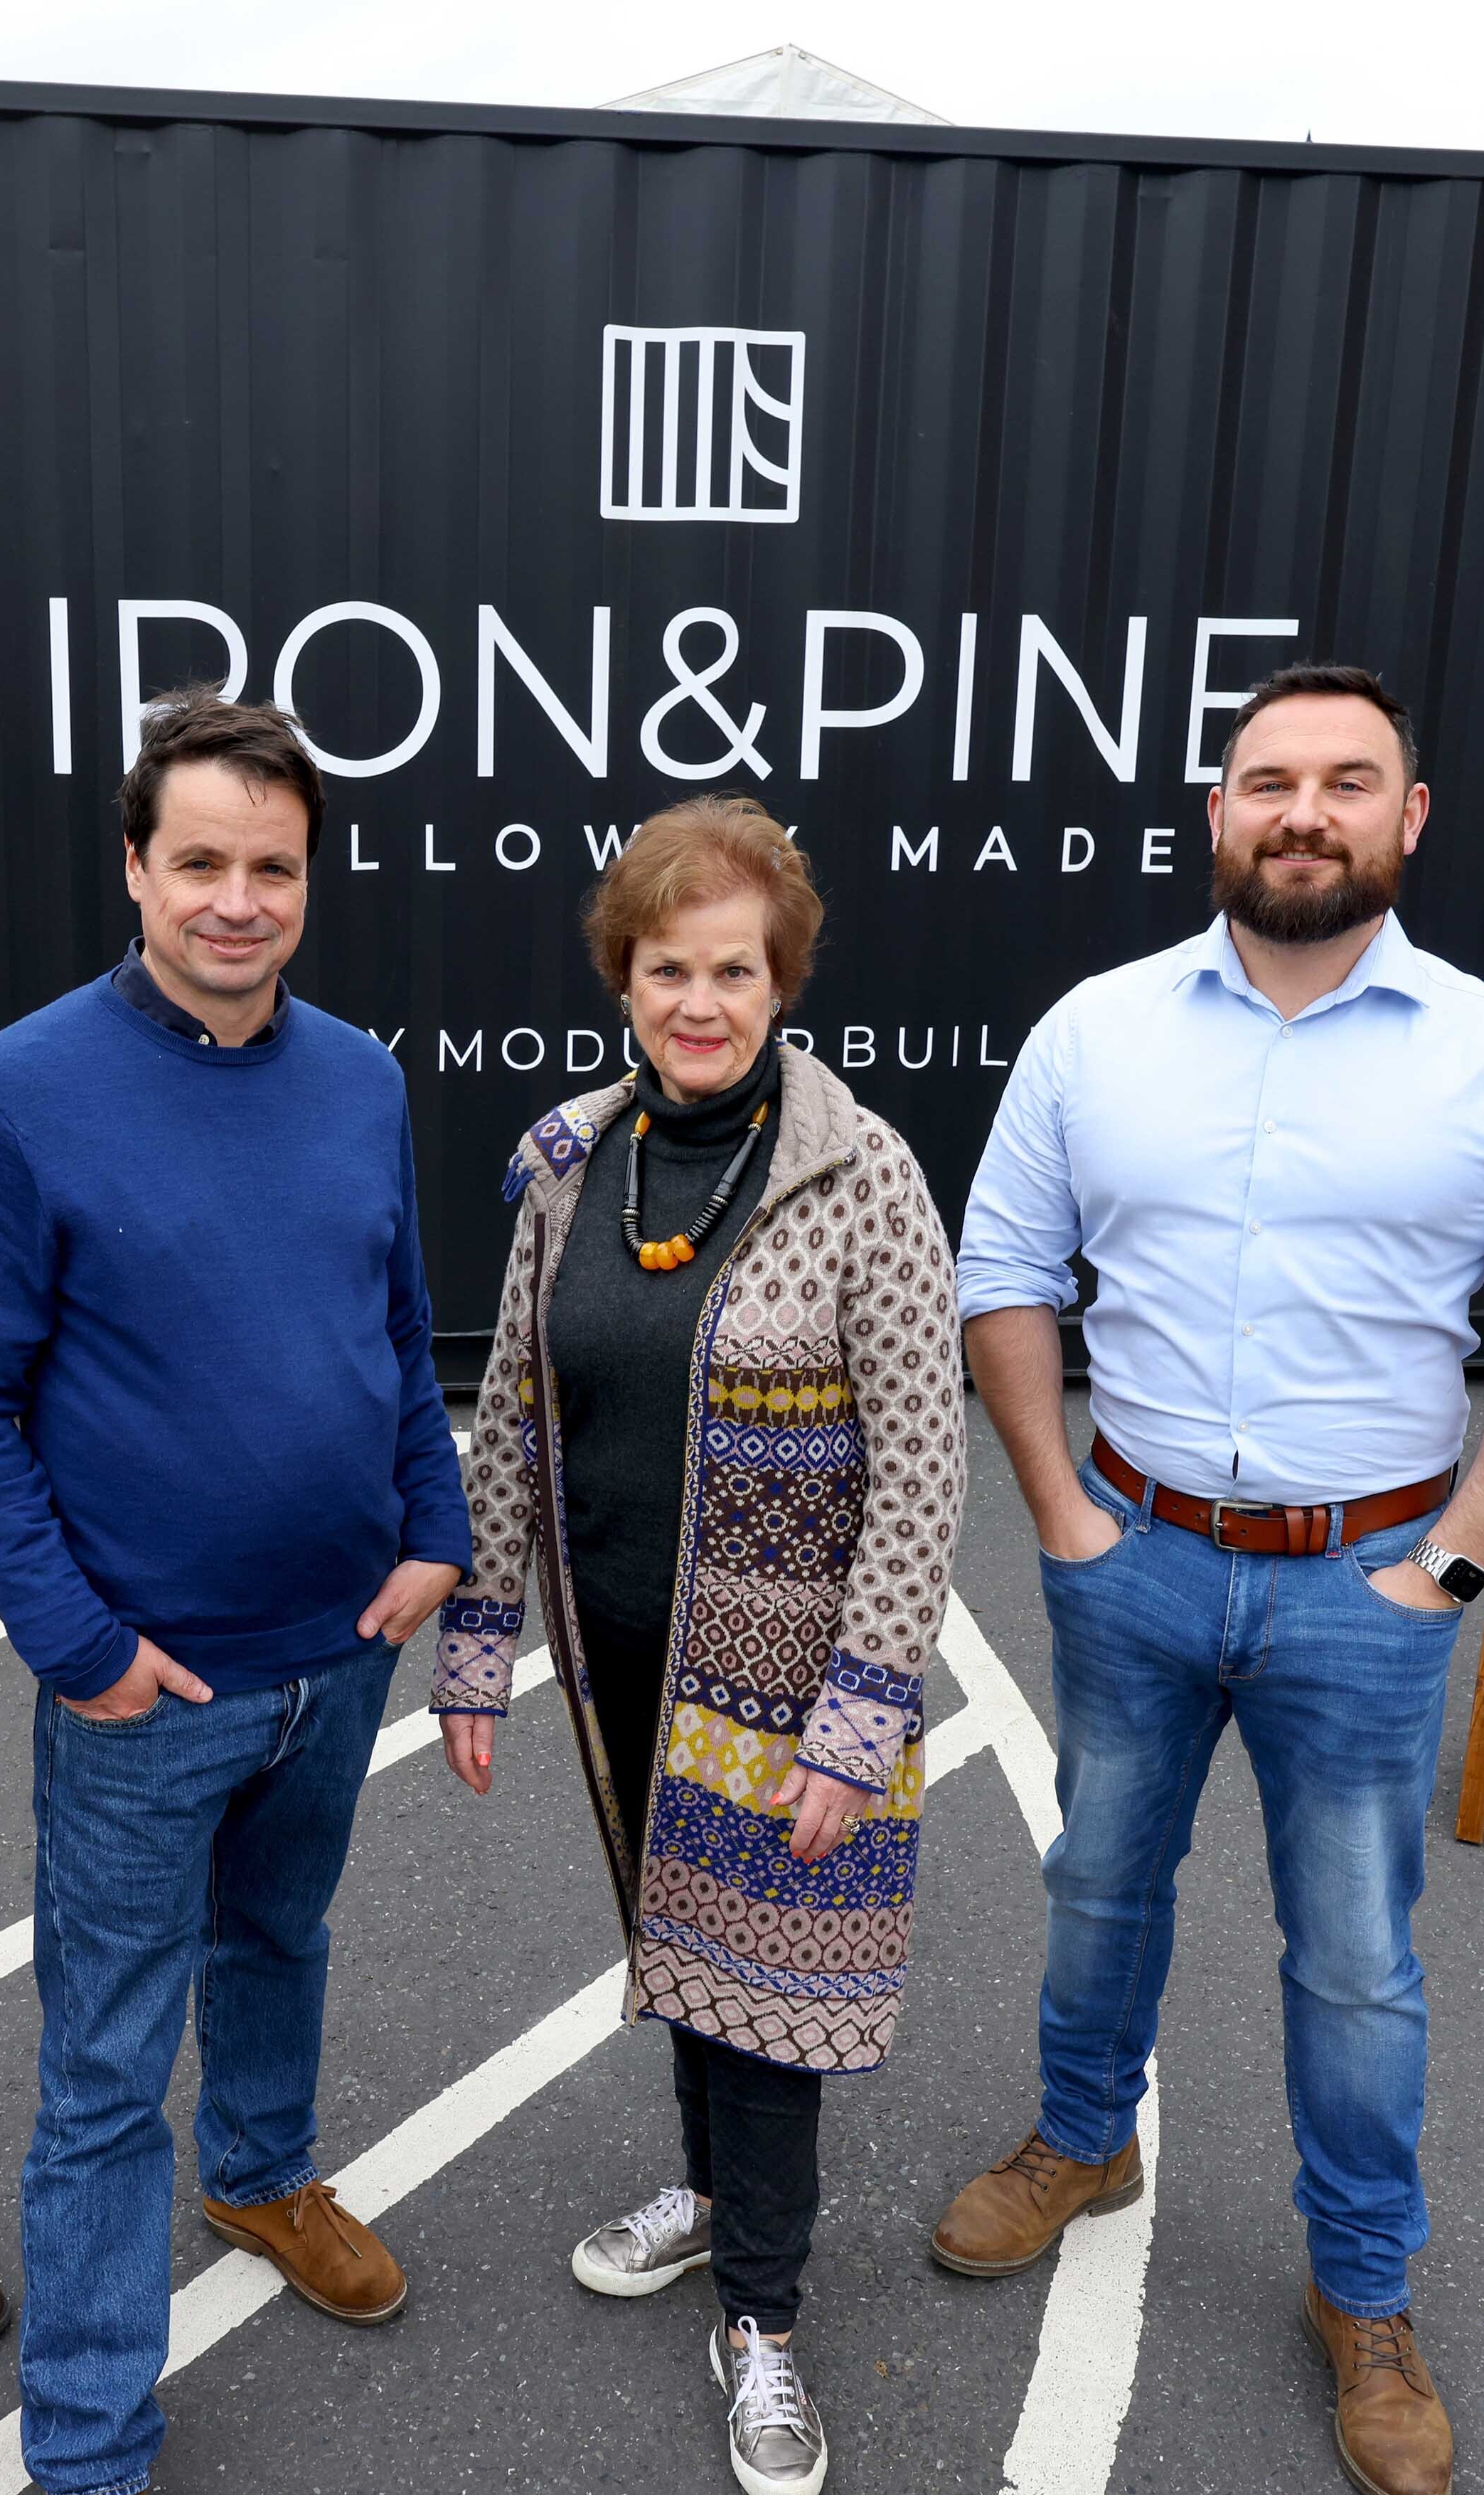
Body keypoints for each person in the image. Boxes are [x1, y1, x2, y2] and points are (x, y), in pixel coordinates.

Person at [936, 664, 1484, 2495]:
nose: (1302, 810)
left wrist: (1452, 1570)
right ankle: (1082, 2138)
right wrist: (1060, 1516)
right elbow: (1001, 1273)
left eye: (1347, 781)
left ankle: (1364, 2296)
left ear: (1410, 818)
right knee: (1098, 1884)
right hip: (1135, 1557)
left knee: (1353, 1965)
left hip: (1369, 1585)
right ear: (1218, 813)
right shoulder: (1097, 1031)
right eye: (1268, 780)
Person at [0, 688, 470, 2495]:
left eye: (274, 867)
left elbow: (394, 1328)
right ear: (135, 867)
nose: (239, 899)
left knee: (280, 1940)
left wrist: (431, 1525)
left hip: (340, 1647)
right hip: (145, 1682)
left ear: (312, 881)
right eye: (202, 862)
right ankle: (86, 2436)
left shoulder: (359, 1077)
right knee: (100, 2069)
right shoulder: (16, 1094)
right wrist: (77, 1648)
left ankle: (260, 2176)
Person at [433, 796, 966, 2495]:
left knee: (769, 1998)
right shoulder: (566, 1164)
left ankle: (765, 2326)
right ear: (624, 976)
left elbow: (926, 1468)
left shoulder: (860, 1169)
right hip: (620, 1670)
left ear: (782, 980)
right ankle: (717, 2195)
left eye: (734, 968)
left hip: (794, 1680)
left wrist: (858, 1716)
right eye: (669, 966)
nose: (700, 1002)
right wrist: (474, 1642)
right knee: (686, 1946)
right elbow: (511, 1410)